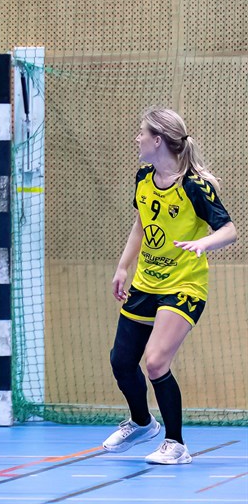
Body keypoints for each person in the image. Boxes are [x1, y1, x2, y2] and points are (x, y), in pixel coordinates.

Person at [105, 108, 236, 464]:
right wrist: (123, 267)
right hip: (146, 283)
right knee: (121, 361)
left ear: (158, 140)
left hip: (184, 286)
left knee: (156, 362)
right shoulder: (144, 179)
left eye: (142, 133)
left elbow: (229, 230)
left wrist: (204, 243)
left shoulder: (194, 186)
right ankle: (142, 422)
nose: (137, 138)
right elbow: (141, 225)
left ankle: (176, 444)